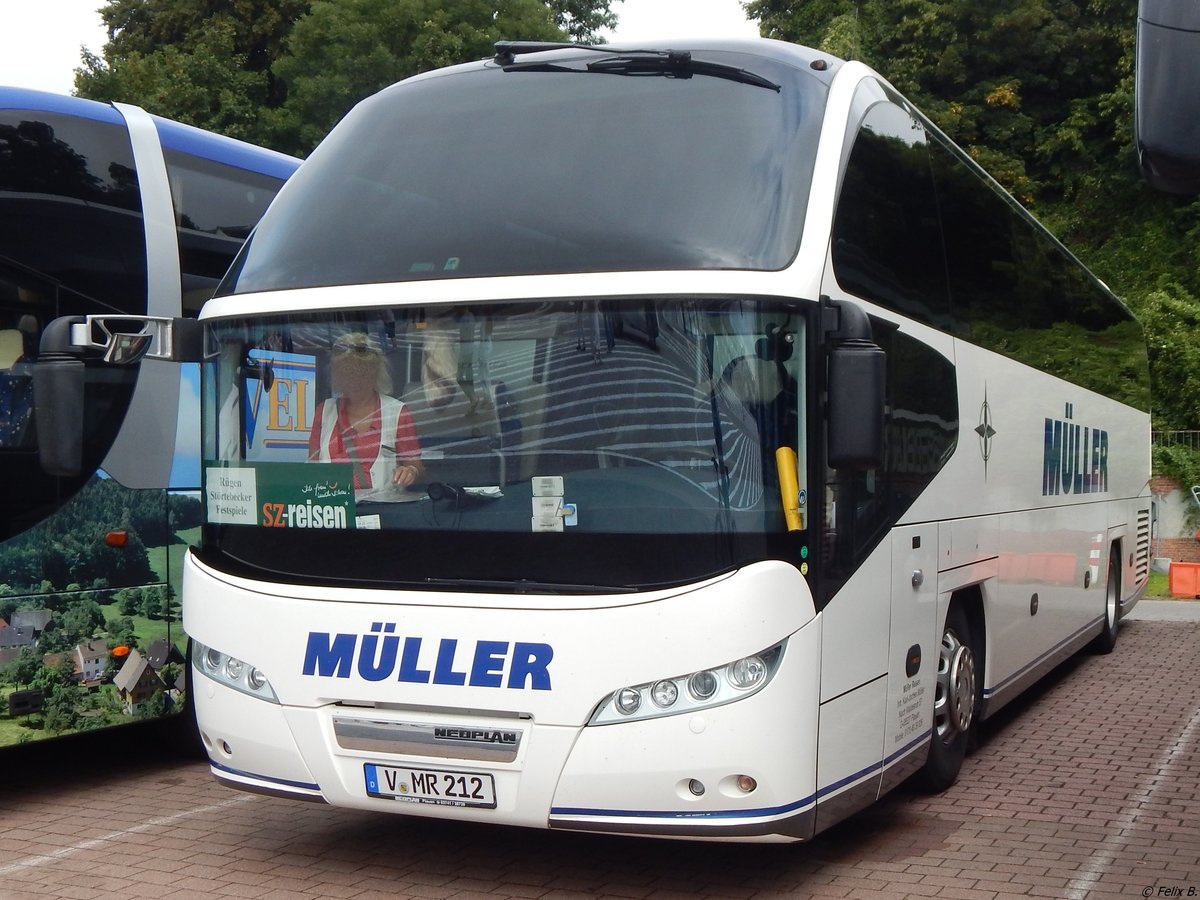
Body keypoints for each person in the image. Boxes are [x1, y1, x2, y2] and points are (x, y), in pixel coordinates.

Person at [308, 333, 423, 496]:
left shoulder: (397, 412)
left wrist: (410, 471)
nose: (354, 380)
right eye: (347, 373)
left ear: (374, 373)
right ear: (338, 376)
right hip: (333, 510)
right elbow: (311, 469)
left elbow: (416, 465)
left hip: (384, 511)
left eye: (361, 373)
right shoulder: (324, 412)